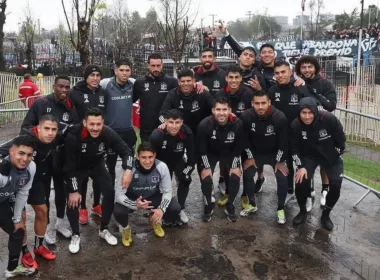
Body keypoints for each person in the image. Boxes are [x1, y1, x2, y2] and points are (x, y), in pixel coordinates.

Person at [62, 108, 133, 253]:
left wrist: (128, 169)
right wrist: (74, 190)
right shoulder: (73, 135)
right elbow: (68, 166)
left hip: (96, 165)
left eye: (98, 124)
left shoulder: (107, 132)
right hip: (76, 168)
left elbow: (126, 150)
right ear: (84, 123)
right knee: (72, 199)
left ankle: (104, 229)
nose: (95, 128)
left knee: (109, 192)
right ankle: (75, 234)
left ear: (103, 123)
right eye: (91, 124)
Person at [0, 115, 63, 269]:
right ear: (38, 128)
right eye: (46, 129)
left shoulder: (57, 137)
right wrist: (3, 164)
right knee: (20, 217)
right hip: (18, 179)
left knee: (43, 211)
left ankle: (38, 246)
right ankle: (25, 251)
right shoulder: (27, 139)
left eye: (53, 129)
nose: (50, 133)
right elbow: (4, 150)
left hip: (36, 179)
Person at [20, 75, 75, 243]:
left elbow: (74, 130)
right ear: (54, 86)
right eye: (61, 86)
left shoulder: (70, 107)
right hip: (42, 157)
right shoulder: (41, 103)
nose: (64, 90)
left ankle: (60, 223)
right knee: (44, 194)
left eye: (67, 87)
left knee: (61, 191)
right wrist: (45, 138)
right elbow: (25, 129)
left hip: (61, 157)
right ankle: (48, 227)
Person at [291, 97, 345, 230]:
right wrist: (301, 166)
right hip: (309, 156)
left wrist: (334, 155)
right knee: (300, 180)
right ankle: (302, 211)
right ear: (299, 113)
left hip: (330, 155)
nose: (307, 116)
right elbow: (294, 148)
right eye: (304, 113)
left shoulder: (329, 119)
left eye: (310, 113)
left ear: (315, 111)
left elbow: (341, 141)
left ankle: (326, 215)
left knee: (336, 184)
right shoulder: (296, 124)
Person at [113, 142, 181, 247]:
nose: (147, 161)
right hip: (132, 198)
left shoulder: (162, 167)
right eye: (143, 157)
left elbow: (167, 191)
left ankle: (154, 219)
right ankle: (126, 229)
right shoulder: (128, 169)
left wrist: (161, 209)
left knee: (175, 208)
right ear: (137, 156)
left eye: (150, 157)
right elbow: (119, 195)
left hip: (152, 196)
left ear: (155, 155)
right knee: (118, 211)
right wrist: (134, 205)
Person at [240, 90, 289, 224]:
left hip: (274, 154)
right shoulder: (246, 116)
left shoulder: (279, 117)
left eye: (263, 103)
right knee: (248, 173)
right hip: (256, 153)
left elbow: (284, 142)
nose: (260, 106)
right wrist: (250, 157)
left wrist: (279, 161)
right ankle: (252, 204)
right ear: (252, 104)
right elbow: (244, 140)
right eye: (257, 103)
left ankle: (280, 208)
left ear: (269, 103)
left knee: (282, 177)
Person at [295, 56, 338, 206]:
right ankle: (309, 191)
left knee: (324, 162)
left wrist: (309, 90)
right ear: (299, 69)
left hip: (324, 130)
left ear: (315, 68)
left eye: (309, 67)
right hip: (304, 130)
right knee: (308, 162)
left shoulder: (325, 83)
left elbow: (330, 106)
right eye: (303, 67)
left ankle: (324, 191)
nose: (306, 70)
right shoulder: (297, 83)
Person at [268, 61, 314, 195]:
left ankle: (308, 189)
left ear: (290, 72)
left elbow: (311, 108)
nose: (280, 75)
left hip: (300, 134)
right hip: (281, 134)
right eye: (277, 73)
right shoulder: (272, 90)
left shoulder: (300, 87)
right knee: (286, 162)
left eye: (283, 72)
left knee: (304, 163)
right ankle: (288, 189)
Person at [69, 65, 107, 224]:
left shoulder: (103, 93)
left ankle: (96, 204)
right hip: (81, 140)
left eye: (98, 75)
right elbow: (71, 114)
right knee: (83, 177)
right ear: (86, 77)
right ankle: (83, 207)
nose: (95, 78)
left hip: (98, 139)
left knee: (98, 175)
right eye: (92, 75)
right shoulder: (75, 93)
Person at [197, 97, 243, 222]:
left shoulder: (237, 123)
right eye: (218, 109)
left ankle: (230, 205)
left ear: (229, 110)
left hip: (229, 153)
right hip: (211, 153)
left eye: (224, 109)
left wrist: (235, 166)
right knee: (206, 178)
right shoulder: (204, 124)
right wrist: (206, 168)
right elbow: (202, 149)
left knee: (235, 176)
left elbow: (238, 148)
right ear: (213, 110)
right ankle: (208, 206)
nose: (221, 113)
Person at [214, 65, 253, 208]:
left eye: (237, 77)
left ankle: (245, 195)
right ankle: (229, 192)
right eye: (231, 77)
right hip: (226, 137)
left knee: (245, 166)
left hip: (245, 136)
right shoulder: (219, 94)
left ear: (241, 78)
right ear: (226, 78)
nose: (234, 80)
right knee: (226, 166)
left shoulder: (249, 94)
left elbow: (252, 115)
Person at [149, 109, 195, 224]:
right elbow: (149, 157)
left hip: (178, 161)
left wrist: (187, 171)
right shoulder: (157, 135)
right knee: (162, 186)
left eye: (177, 122)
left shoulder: (187, 132)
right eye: (171, 122)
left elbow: (192, 156)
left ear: (182, 122)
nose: (174, 126)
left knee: (186, 179)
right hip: (161, 164)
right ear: (165, 122)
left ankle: (181, 208)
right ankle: (159, 209)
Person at [0, 135, 36, 278]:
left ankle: (12, 269)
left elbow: (23, 192)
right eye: (21, 153)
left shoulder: (31, 167)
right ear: (11, 151)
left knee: (18, 231)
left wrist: (16, 218)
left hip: (2, 203)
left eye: (29, 155)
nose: (25, 159)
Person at [100, 59, 137, 187]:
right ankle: (109, 191)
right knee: (109, 165)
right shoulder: (105, 84)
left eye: (127, 70)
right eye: (121, 70)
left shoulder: (133, 84)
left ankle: (126, 189)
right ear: (115, 71)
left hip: (127, 131)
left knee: (128, 163)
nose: (124, 73)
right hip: (110, 132)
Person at [133, 53, 178, 142]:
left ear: (162, 65)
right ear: (148, 65)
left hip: (166, 127)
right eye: (153, 66)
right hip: (146, 129)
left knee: (164, 155)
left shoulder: (171, 81)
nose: (156, 68)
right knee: (148, 155)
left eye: (158, 65)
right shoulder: (139, 83)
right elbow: (131, 100)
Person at [159, 69, 213, 135]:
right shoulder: (172, 94)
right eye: (183, 81)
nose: (186, 84)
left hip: (200, 133)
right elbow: (162, 114)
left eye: (188, 81)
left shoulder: (202, 92)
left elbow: (215, 108)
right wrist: (165, 122)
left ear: (193, 80)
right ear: (178, 82)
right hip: (180, 134)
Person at [218, 24, 266, 91]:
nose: (247, 57)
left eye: (251, 56)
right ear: (239, 56)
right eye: (245, 54)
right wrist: (226, 33)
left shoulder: (257, 75)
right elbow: (236, 47)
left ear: (254, 60)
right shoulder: (229, 69)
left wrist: (259, 89)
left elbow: (265, 96)